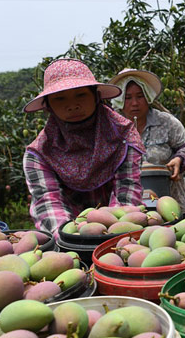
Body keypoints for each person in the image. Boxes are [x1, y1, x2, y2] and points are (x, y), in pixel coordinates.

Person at [22, 58, 145, 235]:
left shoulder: (124, 137)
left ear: (95, 96)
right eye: (59, 98)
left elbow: (127, 194)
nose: (72, 106)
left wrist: (112, 236)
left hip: (117, 232)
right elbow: (48, 203)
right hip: (67, 238)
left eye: (80, 94)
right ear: (48, 106)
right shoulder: (40, 153)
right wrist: (70, 238)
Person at [109, 69, 185, 213]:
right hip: (127, 207)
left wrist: (180, 159)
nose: (135, 103)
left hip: (170, 203)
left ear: (148, 96)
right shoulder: (112, 127)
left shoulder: (166, 122)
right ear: (119, 100)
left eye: (140, 96)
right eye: (128, 97)